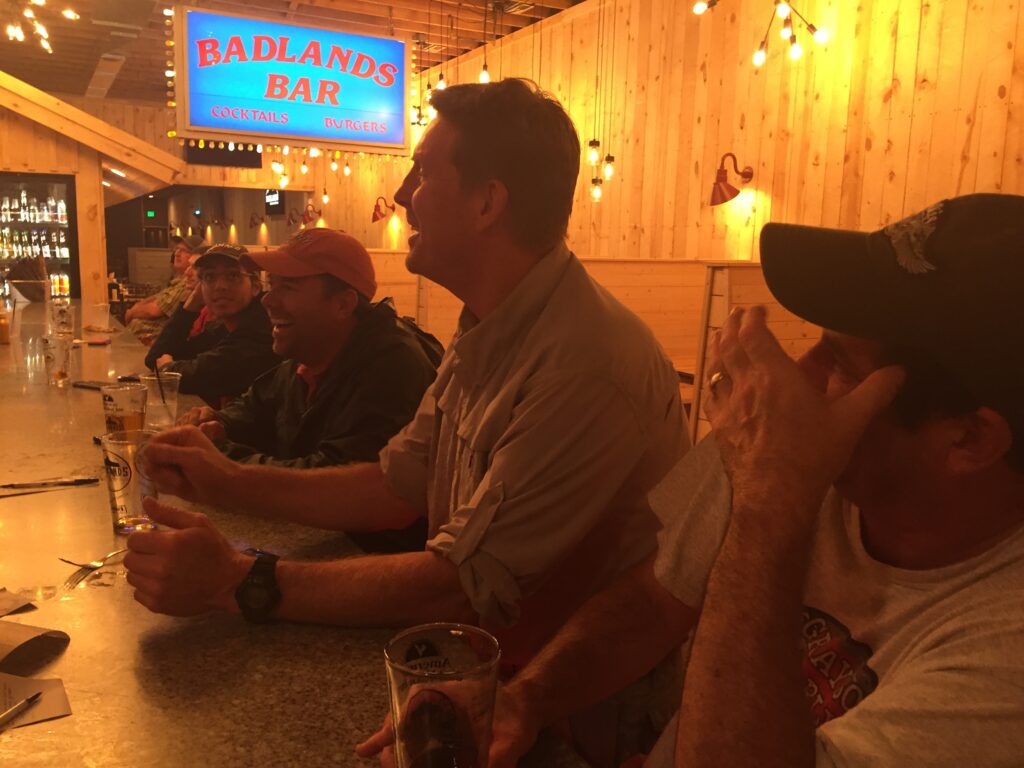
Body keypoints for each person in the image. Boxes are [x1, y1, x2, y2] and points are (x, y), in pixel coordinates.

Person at [126, 80, 687, 700]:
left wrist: (235, 579)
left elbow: (459, 587)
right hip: (485, 678)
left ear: (487, 203)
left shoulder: (583, 363)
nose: (399, 195)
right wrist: (222, 479)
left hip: (571, 715)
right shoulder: (489, 328)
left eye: (421, 173)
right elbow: (392, 488)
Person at [457, 193, 1024, 768]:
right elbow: (655, 603)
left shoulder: (1004, 655)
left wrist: (772, 500)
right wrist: (526, 701)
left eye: (840, 364)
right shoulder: (808, 454)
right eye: (815, 346)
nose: (800, 377)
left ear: (969, 440)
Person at [177, 228, 443, 551]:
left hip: (371, 560)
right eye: (272, 285)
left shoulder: (392, 368)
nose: (268, 300)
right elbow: (252, 408)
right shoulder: (305, 356)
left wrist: (220, 459)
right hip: (314, 541)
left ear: (342, 304)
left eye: (288, 287)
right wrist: (215, 424)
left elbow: (332, 480)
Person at [144, 243, 279, 406]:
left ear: (255, 286)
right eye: (210, 277)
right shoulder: (223, 327)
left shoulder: (265, 326)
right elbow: (155, 358)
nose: (220, 286)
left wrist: (167, 368)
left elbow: (206, 375)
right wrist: (191, 306)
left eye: (233, 276)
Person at [125, 235, 205, 343]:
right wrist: (136, 307)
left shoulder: (188, 285)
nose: (177, 253)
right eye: (176, 249)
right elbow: (156, 298)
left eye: (184, 250)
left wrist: (131, 313)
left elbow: (153, 311)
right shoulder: (178, 281)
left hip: (150, 343)